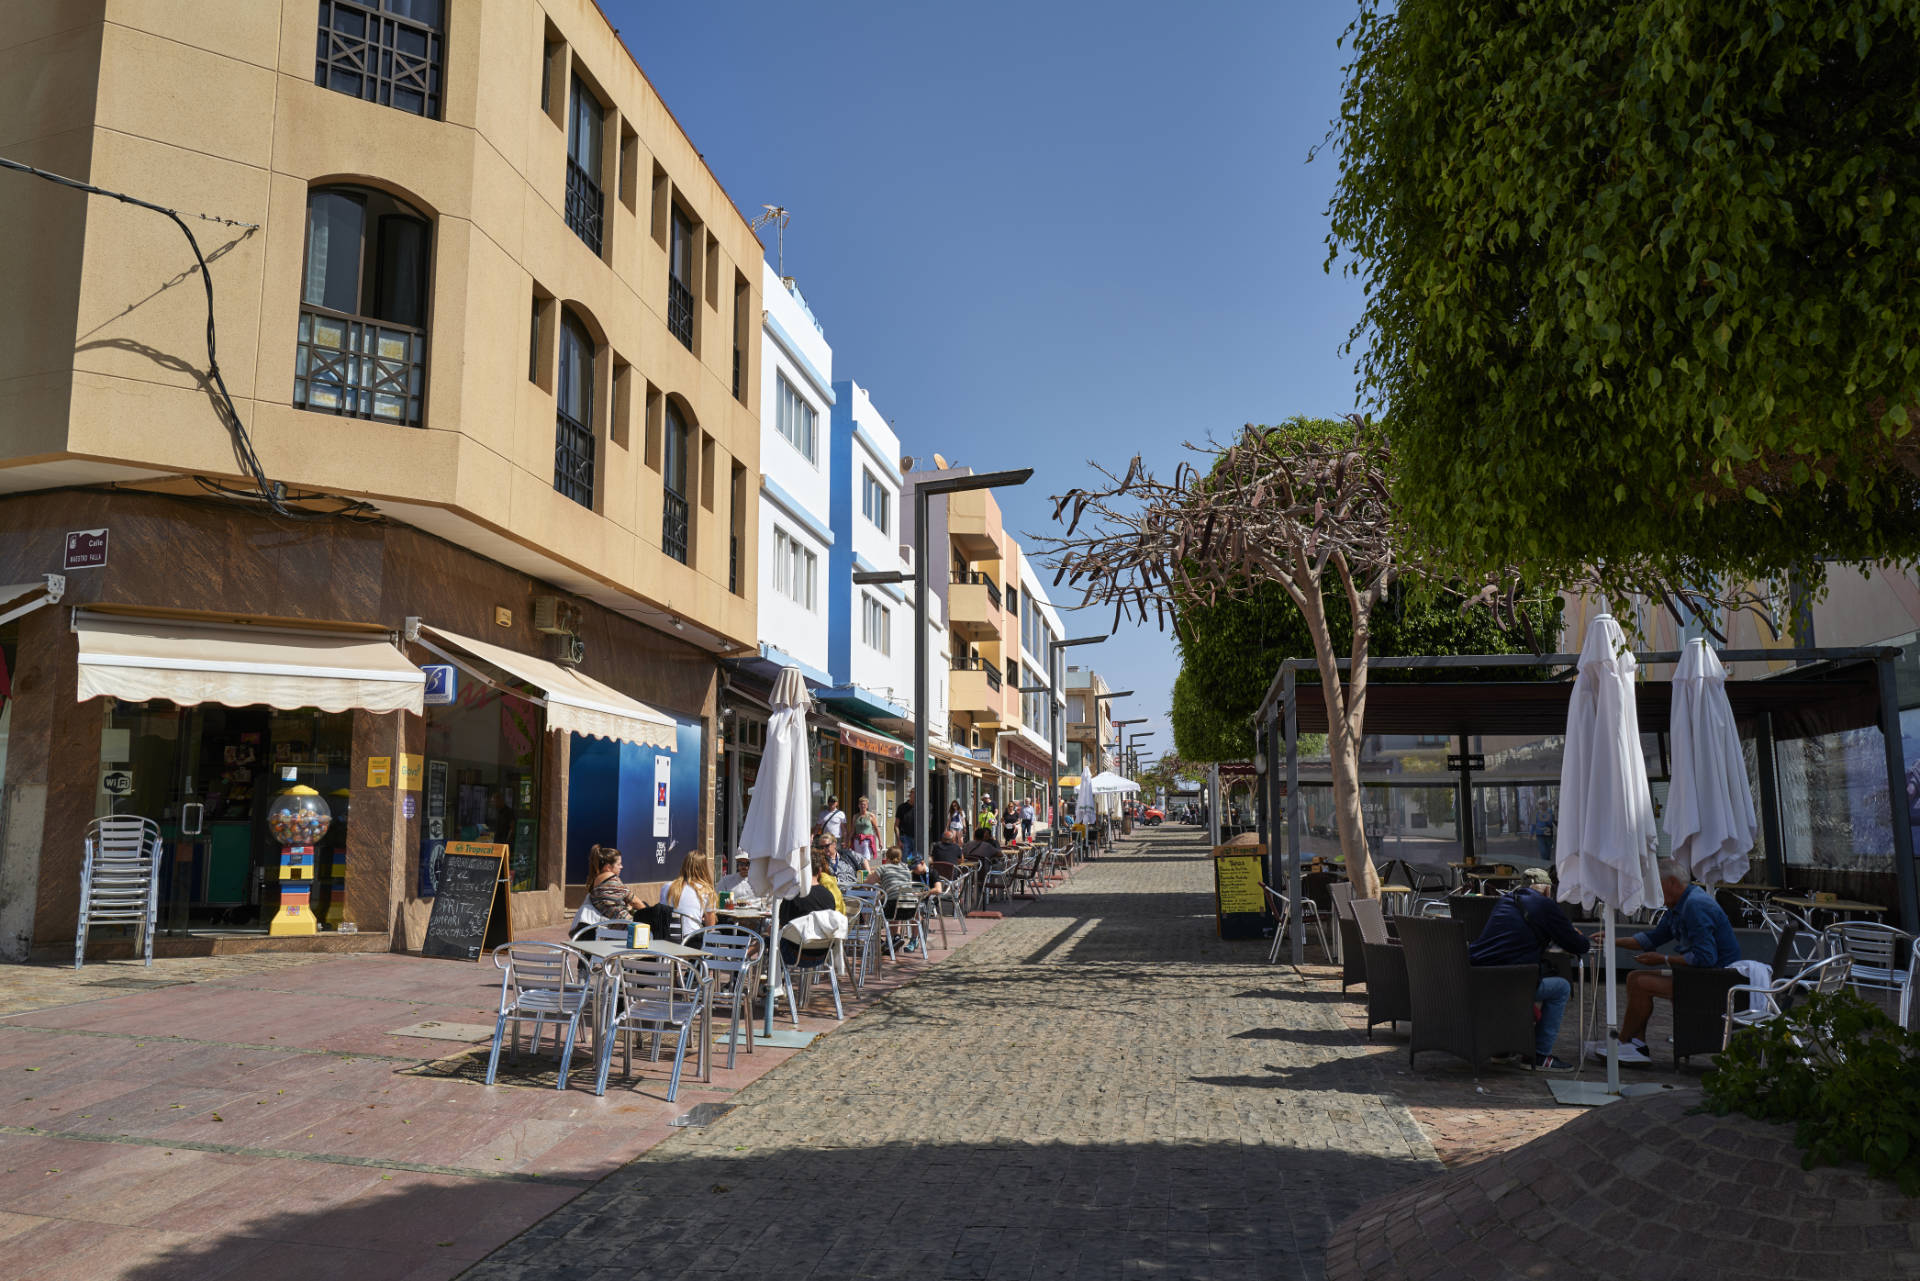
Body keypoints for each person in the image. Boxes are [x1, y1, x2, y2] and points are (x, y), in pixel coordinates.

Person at [1590, 860, 1741, 1064]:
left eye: (1656, 885)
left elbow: (1706, 957)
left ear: (1671, 882)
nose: (1653, 892)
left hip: (1716, 981)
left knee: (1642, 984)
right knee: (1634, 978)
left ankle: (1623, 1041)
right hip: (1703, 975)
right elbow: (1652, 939)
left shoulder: (1695, 906)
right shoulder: (1679, 905)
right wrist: (1612, 940)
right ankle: (1636, 1044)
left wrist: (1664, 959)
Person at [1467, 882, 1591, 1070]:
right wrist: (1576, 935)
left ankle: (1503, 1049)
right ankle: (1539, 1055)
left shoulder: (1506, 900)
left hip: (1477, 977)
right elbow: (1579, 945)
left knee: (1517, 985)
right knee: (1561, 988)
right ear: (1548, 891)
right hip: (1511, 981)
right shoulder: (1546, 906)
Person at [874, 845, 943, 952]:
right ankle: (895, 938)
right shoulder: (910, 873)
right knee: (898, 905)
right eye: (912, 868)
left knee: (900, 906)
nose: (914, 870)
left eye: (915, 867)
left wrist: (923, 893)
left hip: (927, 900)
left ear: (922, 863)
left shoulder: (933, 873)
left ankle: (912, 939)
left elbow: (938, 890)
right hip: (909, 901)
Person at [659, 853, 719, 943]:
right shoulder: (706, 891)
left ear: (684, 866)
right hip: (691, 941)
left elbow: (662, 914)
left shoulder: (667, 887)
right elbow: (710, 928)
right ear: (704, 868)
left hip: (667, 940)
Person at [586, 844, 645, 921]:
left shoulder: (597, 880)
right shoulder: (611, 880)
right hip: (624, 925)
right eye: (619, 864)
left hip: (612, 922)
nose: (621, 867)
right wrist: (650, 914)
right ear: (608, 867)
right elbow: (635, 902)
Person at [849, 796, 880, 867]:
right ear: (858, 805)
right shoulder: (855, 816)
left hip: (867, 841)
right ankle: (860, 876)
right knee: (857, 860)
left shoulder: (871, 816)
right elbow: (852, 830)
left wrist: (880, 841)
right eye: (861, 804)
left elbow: (876, 829)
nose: (863, 806)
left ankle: (866, 876)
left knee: (865, 860)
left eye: (864, 804)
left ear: (867, 806)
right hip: (857, 840)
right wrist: (848, 840)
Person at [896, 788, 918, 860]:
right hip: (905, 837)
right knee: (906, 860)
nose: (915, 797)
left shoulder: (920, 808)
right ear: (910, 795)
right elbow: (896, 825)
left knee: (915, 860)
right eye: (914, 794)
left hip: (917, 838)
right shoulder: (902, 807)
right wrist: (898, 840)